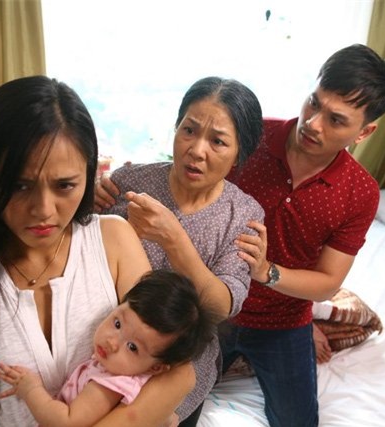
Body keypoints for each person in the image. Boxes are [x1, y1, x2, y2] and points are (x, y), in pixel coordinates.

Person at [0, 76, 196, 427]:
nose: (44, 210)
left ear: (89, 174)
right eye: (19, 185)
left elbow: (179, 374)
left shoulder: (113, 241)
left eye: (65, 185)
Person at [221, 43, 385, 426]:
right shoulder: (252, 135)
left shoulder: (361, 192)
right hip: (214, 303)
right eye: (313, 103)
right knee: (168, 406)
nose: (313, 123)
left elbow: (327, 283)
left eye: (335, 120)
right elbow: (189, 180)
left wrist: (266, 271)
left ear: (364, 132)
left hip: (282, 323)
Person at [94, 76, 265, 425]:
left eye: (218, 141)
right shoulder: (130, 184)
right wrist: (87, 198)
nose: (197, 150)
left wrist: (174, 239)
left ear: (239, 154)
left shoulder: (244, 216)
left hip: (180, 367)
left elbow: (220, 306)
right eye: (189, 130)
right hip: (110, 346)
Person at [0, 270, 218, 427]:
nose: (112, 342)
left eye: (132, 347)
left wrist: (31, 390)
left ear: (156, 368)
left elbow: (66, 421)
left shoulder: (110, 384)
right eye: (118, 323)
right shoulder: (114, 369)